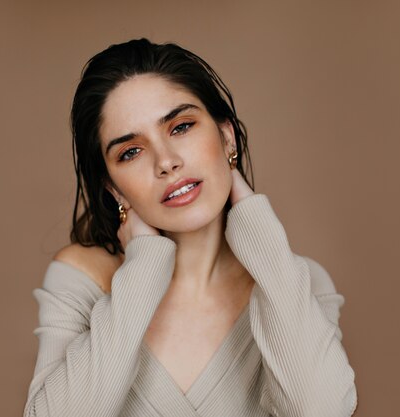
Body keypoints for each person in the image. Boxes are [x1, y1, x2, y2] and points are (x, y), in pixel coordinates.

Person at [23, 38, 357, 417]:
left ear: (226, 135)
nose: (166, 161)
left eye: (181, 127)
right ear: (114, 188)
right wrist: (143, 269)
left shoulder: (297, 281)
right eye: (130, 151)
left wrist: (261, 232)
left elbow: (324, 410)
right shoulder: (83, 278)